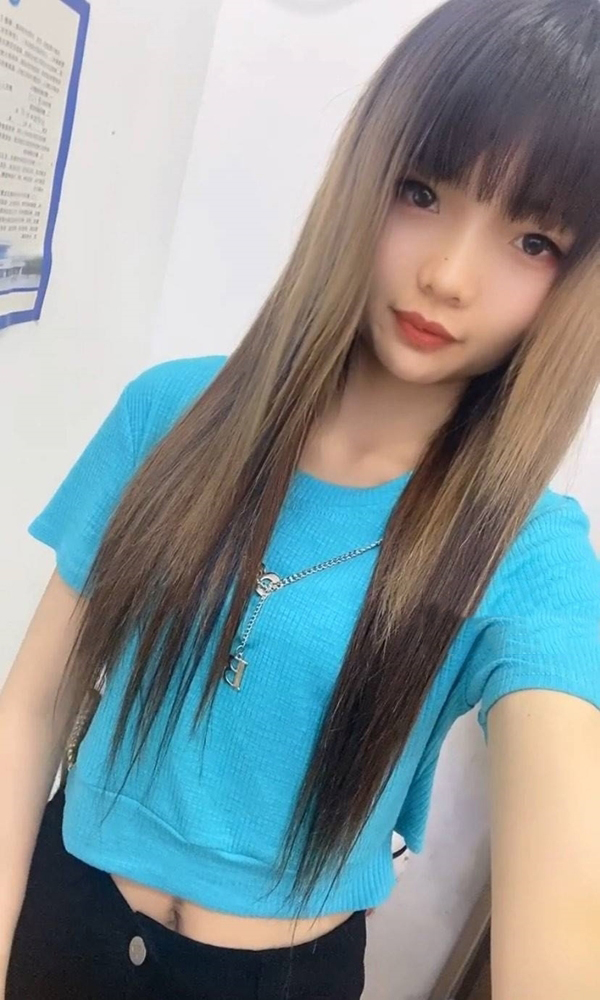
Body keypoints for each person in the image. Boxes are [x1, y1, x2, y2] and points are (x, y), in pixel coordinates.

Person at [2, 0, 600, 997]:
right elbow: (29, 712)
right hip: (63, 920)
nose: (449, 275)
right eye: (421, 191)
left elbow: (567, 918)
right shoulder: (169, 412)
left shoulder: (530, 554)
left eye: (534, 240)